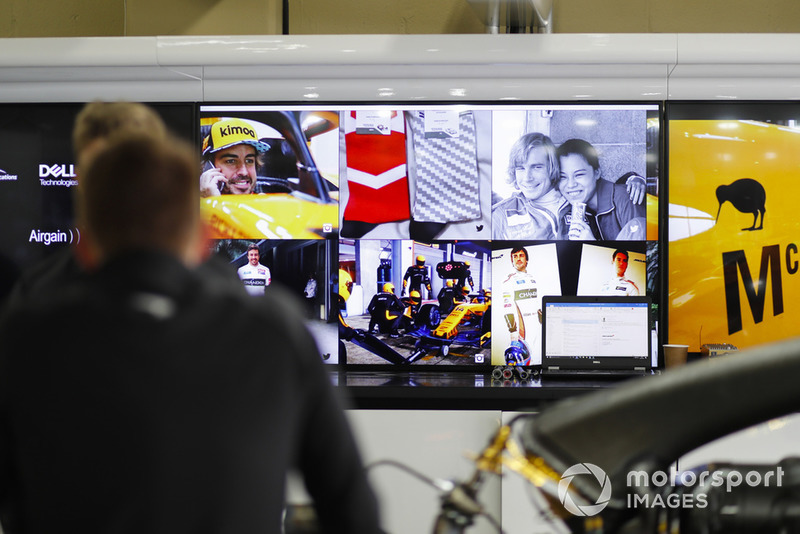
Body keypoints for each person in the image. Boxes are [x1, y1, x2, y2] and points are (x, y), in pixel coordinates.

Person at [0, 135, 382, 534]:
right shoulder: (274, 332)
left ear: (85, 243)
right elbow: (353, 512)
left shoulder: (25, 336)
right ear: (202, 238)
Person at [492, 133, 646, 240]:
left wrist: (635, 179)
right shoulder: (501, 214)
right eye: (520, 168)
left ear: (552, 168)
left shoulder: (579, 202)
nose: (527, 178)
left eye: (537, 167)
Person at [556, 138, 646, 241]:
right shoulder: (568, 209)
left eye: (579, 175)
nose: (571, 185)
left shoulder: (626, 199)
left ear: (597, 172)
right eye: (562, 177)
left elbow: (639, 254)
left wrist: (593, 245)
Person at [199, 117, 271, 197]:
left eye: (249, 161)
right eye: (231, 161)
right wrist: (210, 203)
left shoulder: (265, 203)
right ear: (208, 167)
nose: (244, 172)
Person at [500, 247, 542, 366]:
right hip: (522, 328)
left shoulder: (533, 278)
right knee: (523, 363)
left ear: (526, 259)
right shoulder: (508, 280)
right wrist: (513, 330)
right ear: (512, 261)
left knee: (537, 360)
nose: (518, 258)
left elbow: (537, 302)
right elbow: (507, 306)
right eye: (515, 256)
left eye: (521, 255)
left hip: (537, 326)